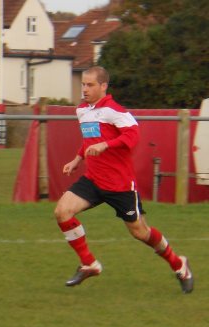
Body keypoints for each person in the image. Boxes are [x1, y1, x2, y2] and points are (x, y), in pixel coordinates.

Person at [53, 66, 193, 293]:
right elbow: (90, 139)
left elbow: (133, 134)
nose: (85, 89)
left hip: (119, 185)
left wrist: (106, 145)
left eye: (90, 85)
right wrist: (77, 159)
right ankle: (89, 263)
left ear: (103, 86)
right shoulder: (82, 110)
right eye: (83, 85)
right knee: (62, 211)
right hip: (93, 179)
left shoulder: (113, 110)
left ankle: (179, 264)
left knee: (140, 233)